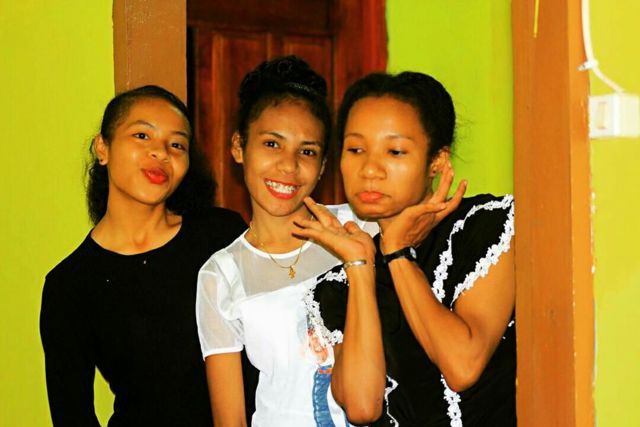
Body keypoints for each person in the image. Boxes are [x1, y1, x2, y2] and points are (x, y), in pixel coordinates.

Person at [315, 72, 516, 426]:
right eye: (355, 149)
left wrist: (397, 252)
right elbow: (362, 407)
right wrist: (360, 268)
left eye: (395, 151)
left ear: (436, 161)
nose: (370, 169)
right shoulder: (339, 282)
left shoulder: (485, 227)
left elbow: (463, 365)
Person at [40, 85, 248, 426]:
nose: (161, 153)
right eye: (142, 135)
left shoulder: (221, 234)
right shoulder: (69, 285)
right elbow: (72, 414)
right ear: (103, 148)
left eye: (177, 145)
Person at [195, 56, 385, 427]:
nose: (289, 165)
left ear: (323, 165)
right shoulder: (221, 274)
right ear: (239, 147)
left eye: (307, 151)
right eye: (272, 144)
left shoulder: (361, 227)